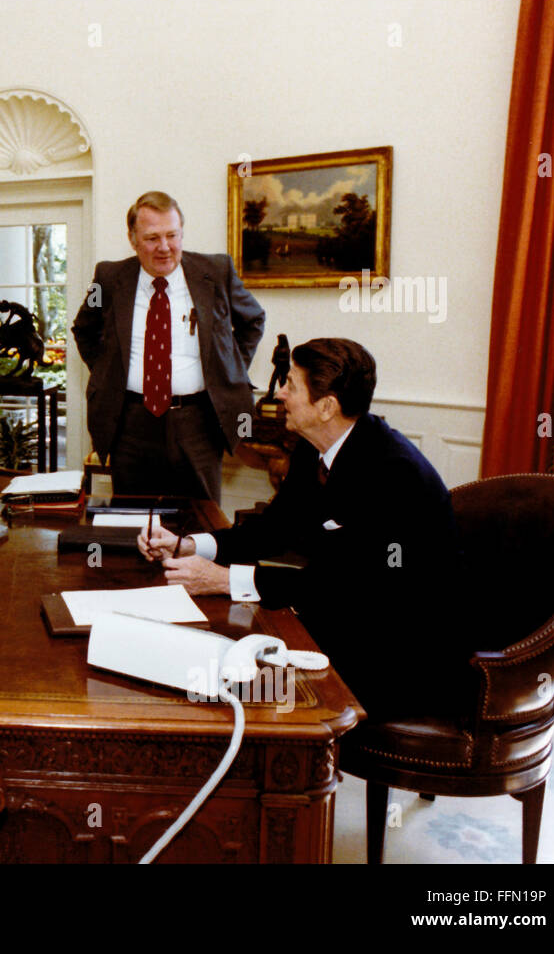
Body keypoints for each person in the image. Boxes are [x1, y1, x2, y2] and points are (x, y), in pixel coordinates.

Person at [138, 338, 463, 716]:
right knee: (199, 658)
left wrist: (225, 581)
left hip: (401, 657)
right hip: (347, 622)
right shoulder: (314, 449)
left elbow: (346, 586)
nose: (279, 392)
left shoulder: (392, 472)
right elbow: (273, 530)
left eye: (291, 384)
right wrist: (190, 545)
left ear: (326, 407)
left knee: (226, 688)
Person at [71, 191, 265, 501]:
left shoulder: (216, 272)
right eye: (151, 238)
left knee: (201, 522)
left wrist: (226, 369)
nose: (164, 248)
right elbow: (84, 328)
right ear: (133, 240)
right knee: (133, 523)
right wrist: (110, 372)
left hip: (198, 423)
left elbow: (252, 320)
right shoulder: (108, 277)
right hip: (130, 424)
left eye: (172, 235)